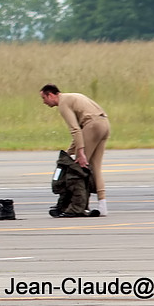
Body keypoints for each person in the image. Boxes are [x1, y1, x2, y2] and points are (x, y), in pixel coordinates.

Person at [40, 84, 110, 216]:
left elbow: (75, 130)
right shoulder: (72, 96)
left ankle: (78, 206)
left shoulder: (63, 103)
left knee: (77, 169)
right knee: (95, 167)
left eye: (44, 98)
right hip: (104, 124)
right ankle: (103, 206)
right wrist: (69, 152)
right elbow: (81, 132)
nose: (44, 102)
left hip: (93, 125)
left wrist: (81, 153)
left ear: (51, 95)